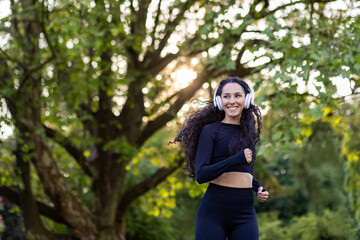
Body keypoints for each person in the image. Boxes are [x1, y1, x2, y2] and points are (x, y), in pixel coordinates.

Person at [173, 77, 269, 240]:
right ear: (219, 100)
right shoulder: (211, 131)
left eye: (237, 95)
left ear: (247, 99)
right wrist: (235, 159)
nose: (232, 101)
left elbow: (244, 171)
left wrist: (258, 187)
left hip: (245, 213)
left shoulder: (248, 132)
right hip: (214, 213)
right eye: (226, 96)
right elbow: (201, 175)